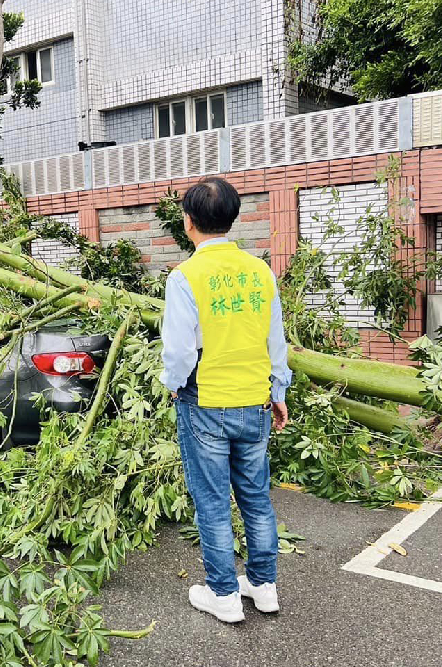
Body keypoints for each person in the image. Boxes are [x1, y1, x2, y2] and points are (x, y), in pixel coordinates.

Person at [160, 176, 292, 624]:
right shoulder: (261, 272)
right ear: (232, 219)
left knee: (213, 502)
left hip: (205, 403)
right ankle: (264, 585)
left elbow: (179, 352)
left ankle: (224, 596)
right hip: (255, 400)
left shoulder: (185, 277)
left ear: (189, 222)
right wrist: (278, 390)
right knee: (256, 497)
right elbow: (276, 341)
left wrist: (172, 383)